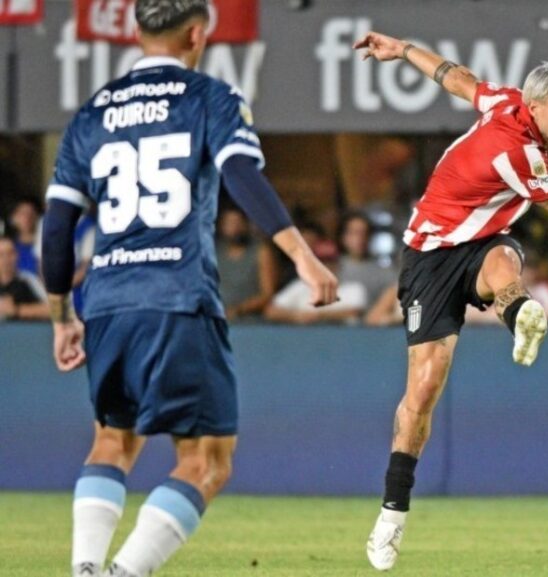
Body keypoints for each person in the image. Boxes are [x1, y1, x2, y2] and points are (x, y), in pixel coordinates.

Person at [40, 2, 338, 575]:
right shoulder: (209, 98)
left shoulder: (91, 114)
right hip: (176, 299)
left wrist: (61, 315)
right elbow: (242, 176)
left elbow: (57, 228)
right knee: (206, 462)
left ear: (135, 33)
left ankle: (83, 568)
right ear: (198, 33)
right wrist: (301, 256)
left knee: (112, 444)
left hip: (106, 304)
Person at [353, 31, 548, 571]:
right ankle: (391, 514)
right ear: (535, 105)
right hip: (430, 258)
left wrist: (404, 49)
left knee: (503, 260)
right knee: (421, 392)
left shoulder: (506, 102)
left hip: (484, 245)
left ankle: (519, 312)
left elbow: (455, 76)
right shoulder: (520, 152)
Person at [215, 207, 278, 320]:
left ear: (246, 224)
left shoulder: (261, 251)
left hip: (250, 320)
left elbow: (267, 294)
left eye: (239, 222)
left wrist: (238, 310)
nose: (235, 228)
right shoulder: (214, 252)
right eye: (230, 223)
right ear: (222, 227)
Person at [338, 213, 397, 309]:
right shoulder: (331, 268)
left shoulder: (385, 272)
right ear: (343, 237)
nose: (360, 239)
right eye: (354, 233)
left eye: (364, 233)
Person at [0, 236, 49, 321]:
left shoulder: (28, 280)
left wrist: (17, 310)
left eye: (10, 253)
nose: (6, 259)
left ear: (17, 255)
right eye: (1, 255)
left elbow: (55, 310)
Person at [7, 198, 41, 276]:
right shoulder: (9, 248)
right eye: (22, 213)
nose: (27, 218)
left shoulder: (46, 245)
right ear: (13, 218)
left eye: (31, 213)